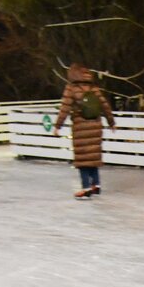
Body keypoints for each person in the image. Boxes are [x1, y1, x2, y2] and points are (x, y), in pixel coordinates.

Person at [52, 63, 116, 199]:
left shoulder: (71, 88)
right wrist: (111, 122)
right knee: (93, 157)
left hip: (81, 127)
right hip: (96, 125)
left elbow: (65, 108)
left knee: (82, 160)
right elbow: (105, 105)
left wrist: (58, 126)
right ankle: (96, 185)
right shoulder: (94, 88)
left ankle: (86, 188)